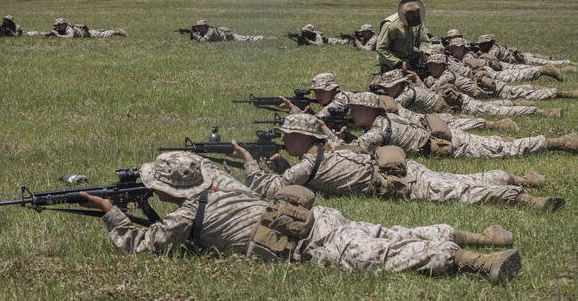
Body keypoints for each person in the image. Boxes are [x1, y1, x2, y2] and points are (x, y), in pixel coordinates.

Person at [80, 150, 522, 284]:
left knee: (383, 254)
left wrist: (112, 213)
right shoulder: (218, 183)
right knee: (392, 230)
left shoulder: (183, 218)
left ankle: (478, 263)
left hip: (307, 243)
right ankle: (484, 236)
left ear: (168, 189)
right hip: (320, 217)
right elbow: (202, 165)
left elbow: (139, 244)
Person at [234, 113, 563, 210]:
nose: (284, 140)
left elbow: (272, 190)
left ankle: (525, 198)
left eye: (289, 135)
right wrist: (281, 166)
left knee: (463, 192)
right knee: (463, 180)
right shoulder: (330, 147)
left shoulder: (305, 166)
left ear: (304, 140)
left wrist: (250, 163)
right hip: (403, 168)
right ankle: (515, 178)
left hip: (402, 184)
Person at [339, 91, 578, 159]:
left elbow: (355, 151)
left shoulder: (378, 129)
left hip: (450, 142)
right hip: (442, 133)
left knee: (502, 150)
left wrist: (332, 135)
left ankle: (557, 142)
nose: (351, 113)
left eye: (355, 109)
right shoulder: (383, 121)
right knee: (494, 144)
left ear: (369, 110)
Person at [370, 69, 563, 120]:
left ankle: (544, 113)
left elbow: (391, 108)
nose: (386, 90)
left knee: (496, 112)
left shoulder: (407, 94)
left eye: (388, 87)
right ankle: (515, 102)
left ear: (399, 85)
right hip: (454, 103)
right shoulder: (408, 89)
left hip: (461, 104)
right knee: (495, 108)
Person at [424, 54, 578, 101]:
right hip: (489, 88)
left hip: (495, 91)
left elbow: (431, 93)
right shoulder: (444, 73)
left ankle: (564, 94)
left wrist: (419, 81)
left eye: (432, 65)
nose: (430, 68)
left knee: (522, 91)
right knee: (522, 90)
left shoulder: (447, 75)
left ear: (441, 66)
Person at [446, 37, 564, 83]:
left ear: (461, 48)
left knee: (514, 76)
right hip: (490, 68)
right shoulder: (464, 56)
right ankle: (539, 69)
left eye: (453, 48)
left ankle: (542, 70)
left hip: (489, 72)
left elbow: (478, 67)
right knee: (515, 71)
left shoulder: (467, 58)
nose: (451, 50)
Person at [376, 0, 432, 73]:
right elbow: (381, 48)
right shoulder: (391, 25)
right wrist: (399, 63)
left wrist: (424, 53)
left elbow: (424, 40)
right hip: (391, 63)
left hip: (410, 59)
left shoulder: (417, 20)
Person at [477, 34, 575, 67]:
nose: (481, 46)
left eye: (483, 44)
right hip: (520, 56)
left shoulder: (493, 50)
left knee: (548, 63)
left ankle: (569, 63)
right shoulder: (494, 46)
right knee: (537, 57)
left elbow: (491, 59)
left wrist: (480, 54)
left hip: (522, 60)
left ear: (488, 43)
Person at [46, 17, 128, 38]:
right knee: (97, 32)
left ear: (64, 24)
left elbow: (69, 37)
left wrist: (58, 36)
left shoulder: (69, 29)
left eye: (60, 25)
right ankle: (100, 30)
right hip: (85, 32)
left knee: (102, 35)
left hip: (89, 35)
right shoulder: (59, 29)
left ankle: (116, 32)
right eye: (57, 25)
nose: (58, 27)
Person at [190, 19, 263, 42]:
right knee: (246, 38)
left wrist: (194, 35)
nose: (198, 28)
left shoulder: (210, 31)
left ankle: (262, 38)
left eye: (199, 27)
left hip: (230, 37)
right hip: (228, 37)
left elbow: (204, 41)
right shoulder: (204, 31)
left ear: (204, 26)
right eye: (198, 27)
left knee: (247, 39)